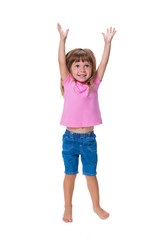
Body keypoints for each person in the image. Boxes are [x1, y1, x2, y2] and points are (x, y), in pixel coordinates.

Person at [57, 23, 116, 222]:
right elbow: (61, 63)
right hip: (70, 139)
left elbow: (104, 64)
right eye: (77, 65)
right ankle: (67, 207)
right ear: (70, 69)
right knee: (70, 174)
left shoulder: (94, 84)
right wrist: (62, 40)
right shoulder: (68, 83)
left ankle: (96, 206)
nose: (82, 69)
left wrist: (107, 43)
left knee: (91, 174)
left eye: (86, 65)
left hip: (89, 140)